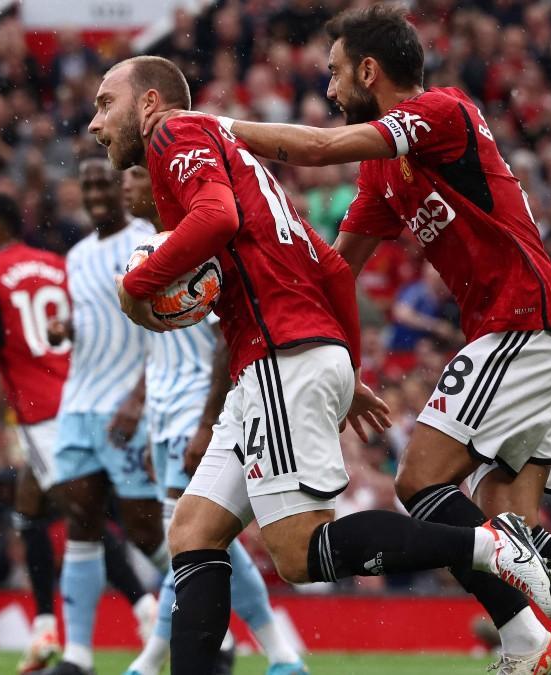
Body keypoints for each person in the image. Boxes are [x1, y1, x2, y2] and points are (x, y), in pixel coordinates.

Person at [179, 7, 551, 674]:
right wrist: (334, 361)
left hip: (527, 325)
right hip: (518, 335)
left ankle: (528, 635)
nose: (332, 90)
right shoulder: (381, 174)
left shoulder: (441, 112)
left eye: (337, 75)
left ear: (370, 72)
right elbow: (339, 268)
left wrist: (218, 130)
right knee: (509, 527)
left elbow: (314, 148)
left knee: (422, 480)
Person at [94, 54, 551, 675]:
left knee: (298, 553)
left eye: (105, 104)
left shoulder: (177, 132)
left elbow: (215, 218)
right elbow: (333, 269)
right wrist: (347, 369)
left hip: (281, 358)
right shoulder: (237, 163)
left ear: (149, 103)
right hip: (282, 359)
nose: (95, 124)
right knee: (193, 532)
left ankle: (487, 546)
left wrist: (136, 285)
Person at [121, 166, 308, 675]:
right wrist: (145, 412)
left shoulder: (200, 242)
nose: (127, 184)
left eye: (138, 176)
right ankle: (267, 654)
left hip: (194, 406)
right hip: (165, 410)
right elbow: (155, 346)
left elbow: (224, 338)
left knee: (197, 534)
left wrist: (205, 422)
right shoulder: (144, 246)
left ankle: (277, 651)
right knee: (185, 537)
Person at [0, 194, 158, 674]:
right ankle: (45, 630)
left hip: (43, 415)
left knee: (83, 515)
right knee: (30, 512)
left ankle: (146, 610)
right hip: (86, 394)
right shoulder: (56, 262)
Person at [37, 160, 166, 675]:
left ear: (122, 187)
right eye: (86, 183)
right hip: (79, 405)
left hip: (127, 409)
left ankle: (210, 621)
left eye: (102, 182)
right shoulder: (75, 255)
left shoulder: (148, 240)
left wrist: (139, 396)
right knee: (82, 525)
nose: (93, 191)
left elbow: (166, 326)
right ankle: (77, 655)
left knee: (145, 530)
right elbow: (94, 317)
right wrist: (66, 328)